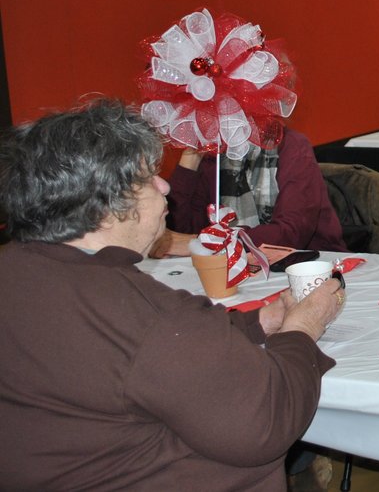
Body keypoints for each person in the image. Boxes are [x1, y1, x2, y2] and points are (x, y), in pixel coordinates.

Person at [0, 98, 345, 490]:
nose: (165, 185)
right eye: (148, 178)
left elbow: (160, 350)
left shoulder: (19, 270)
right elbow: (267, 423)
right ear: (106, 211)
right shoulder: (144, 315)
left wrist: (258, 322)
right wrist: (301, 331)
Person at [153, 126, 347, 257]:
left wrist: (202, 242)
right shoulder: (215, 153)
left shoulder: (292, 146)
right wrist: (190, 159)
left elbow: (289, 235)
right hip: (231, 271)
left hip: (310, 267)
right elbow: (178, 231)